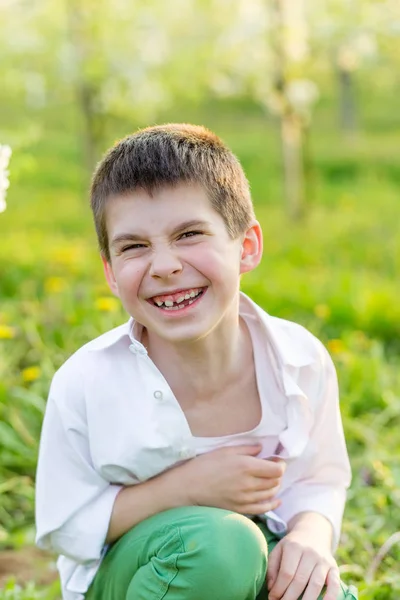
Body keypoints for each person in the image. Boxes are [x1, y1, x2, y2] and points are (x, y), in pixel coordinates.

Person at [35, 124, 358, 600]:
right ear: (109, 271)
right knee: (224, 547)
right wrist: (184, 489)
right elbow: (64, 524)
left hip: (256, 558)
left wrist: (310, 536)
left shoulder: (299, 360)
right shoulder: (88, 382)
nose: (164, 265)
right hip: (137, 576)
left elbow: (318, 479)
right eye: (134, 246)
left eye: (188, 234)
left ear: (246, 246)